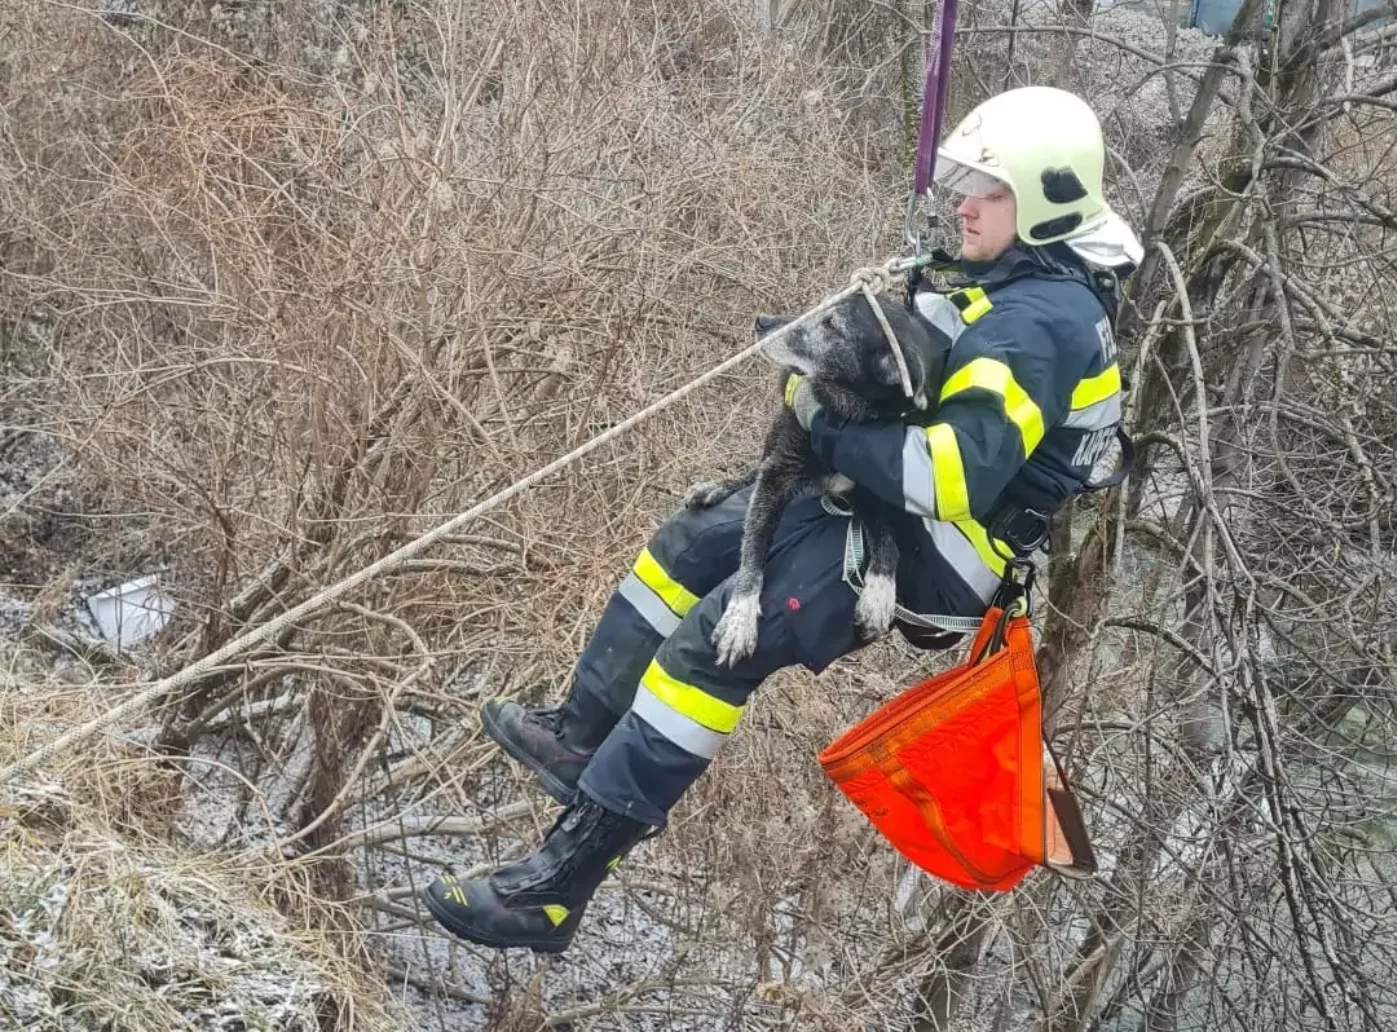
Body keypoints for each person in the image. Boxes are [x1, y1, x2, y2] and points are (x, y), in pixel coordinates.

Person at [422, 85, 1143, 953]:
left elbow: (937, 474)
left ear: (1040, 201)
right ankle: (578, 738)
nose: (963, 202)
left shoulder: (1041, 323)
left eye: (986, 190)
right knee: (692, 542)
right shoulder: (1013, 279)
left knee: (711, 646)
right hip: (890, 506)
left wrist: (823, 420)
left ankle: (552, 890)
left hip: (937, 553)